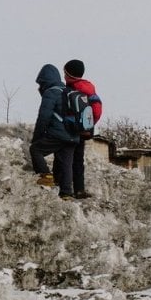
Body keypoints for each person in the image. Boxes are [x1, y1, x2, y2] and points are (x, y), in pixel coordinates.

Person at [30, 64, 78, 199]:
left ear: (45, 81)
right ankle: (66, 192)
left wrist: (37, 138)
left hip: (58, 134)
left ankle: (45, 175)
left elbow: (43, 117)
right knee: (66, 163)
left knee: (36, 150)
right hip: (74, 135)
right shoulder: (68, 91)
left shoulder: (51, 92)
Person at [61, 59, 103, 199]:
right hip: (84, 130)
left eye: (65, 73)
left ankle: (63, 186)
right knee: (78, 159)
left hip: (69, 129)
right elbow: (97, 109)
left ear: (69, 74)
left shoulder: (68, 89)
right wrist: (89, 124)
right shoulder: (89, 89)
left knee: (65, 158)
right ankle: (79, 189)